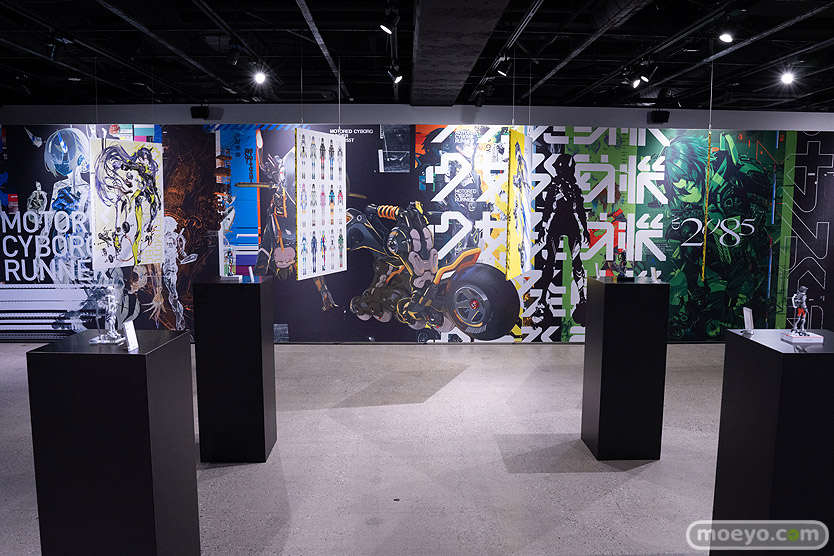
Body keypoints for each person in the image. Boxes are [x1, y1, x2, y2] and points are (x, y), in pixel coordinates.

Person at [535, 153, 590, 326]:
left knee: (575, 261)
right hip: (559, 222)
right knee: (551, 262)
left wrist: (585, 229)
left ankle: (581, 299)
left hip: (567, 222)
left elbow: (579, 210)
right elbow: (548, 209)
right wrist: (543, 228)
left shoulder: (572, 189)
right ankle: (543, 300)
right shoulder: (557, 188)